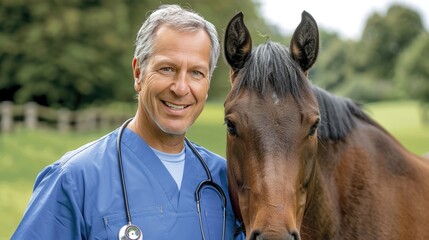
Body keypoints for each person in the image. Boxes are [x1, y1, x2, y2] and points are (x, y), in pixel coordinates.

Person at [12, 4, 243, 240]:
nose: (181, 88)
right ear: (138, 73)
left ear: (207, 84)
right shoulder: (75, 179)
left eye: (196, 73)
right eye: (167, 68)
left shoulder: (227, 182)